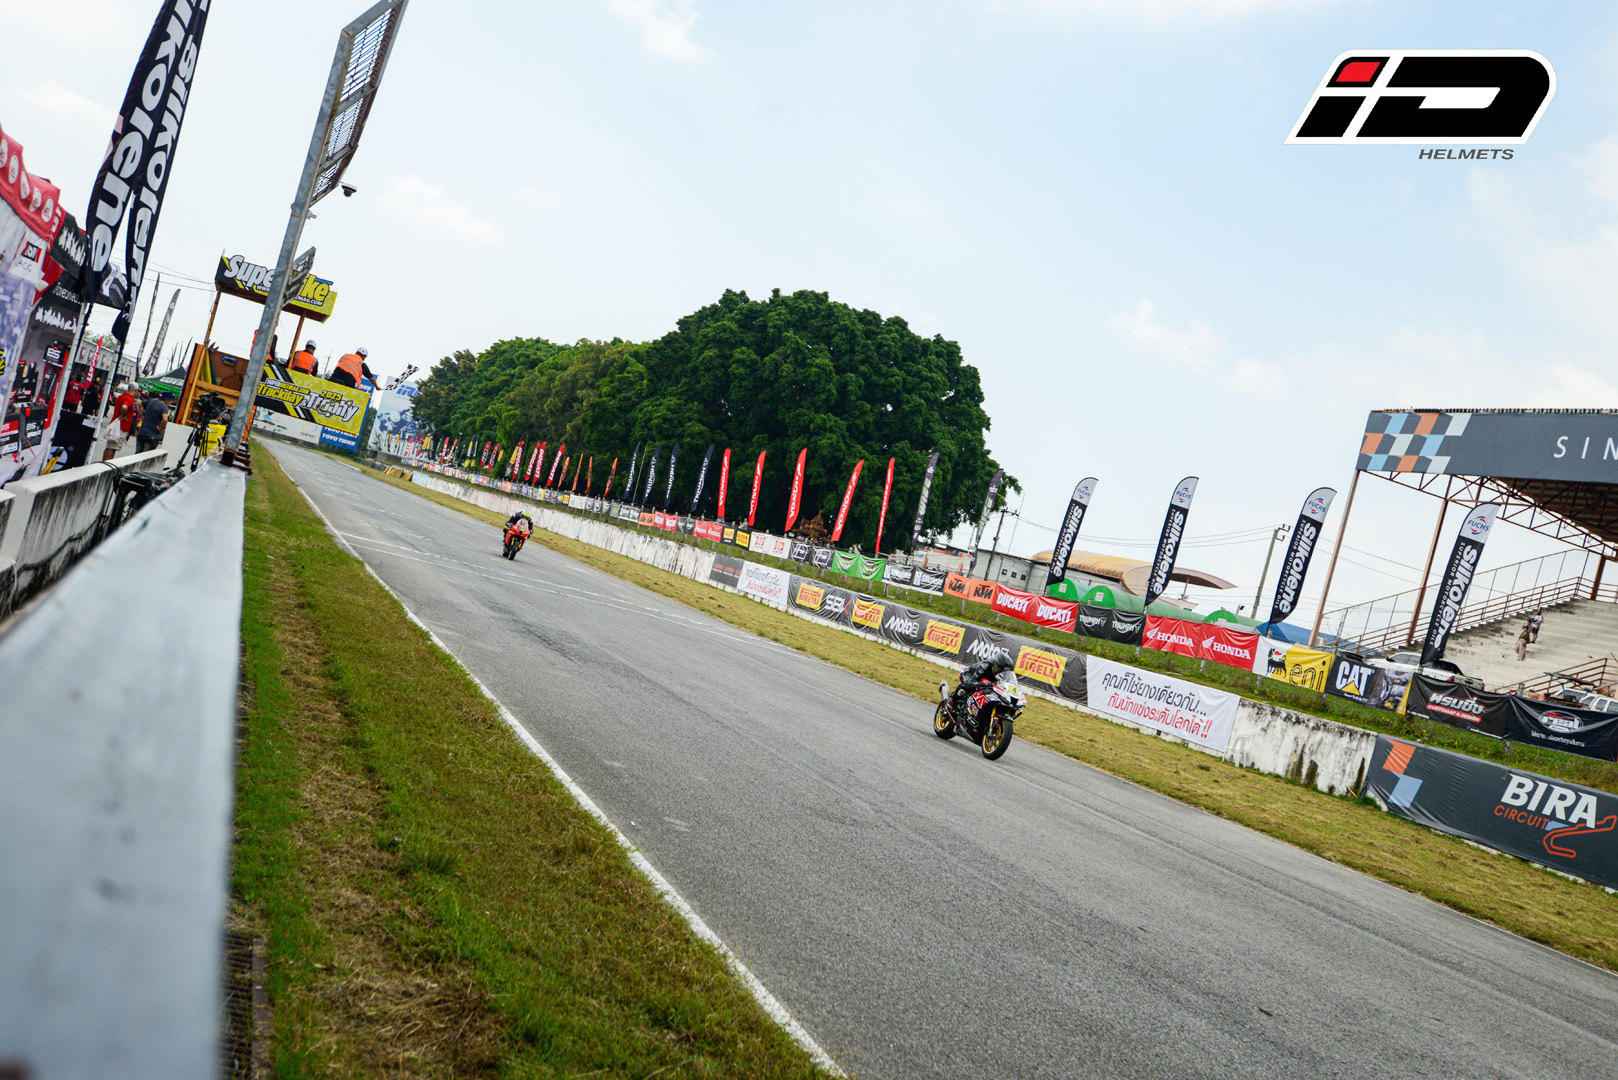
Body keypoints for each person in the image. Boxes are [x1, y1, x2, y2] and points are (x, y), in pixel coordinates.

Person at [952, 649, 1015, 715]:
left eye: (1003, 672)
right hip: (970, 674)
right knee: (966, 687)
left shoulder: (1004, 675)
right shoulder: (986, 665)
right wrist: (983, 683)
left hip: (986, 682)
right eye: (998, 670)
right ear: (994, 664)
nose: (1000, 673)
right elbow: (971, 682)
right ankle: (951, 702)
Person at [103, 383, 138, 460]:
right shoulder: (129, 399)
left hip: (114, 424)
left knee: (109, 446)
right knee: (112, 448)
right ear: (135, 390)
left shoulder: (120, 396)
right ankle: (106, 464)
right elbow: (124, 407)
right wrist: (124, 414)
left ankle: (104, 462)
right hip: (121, 427)